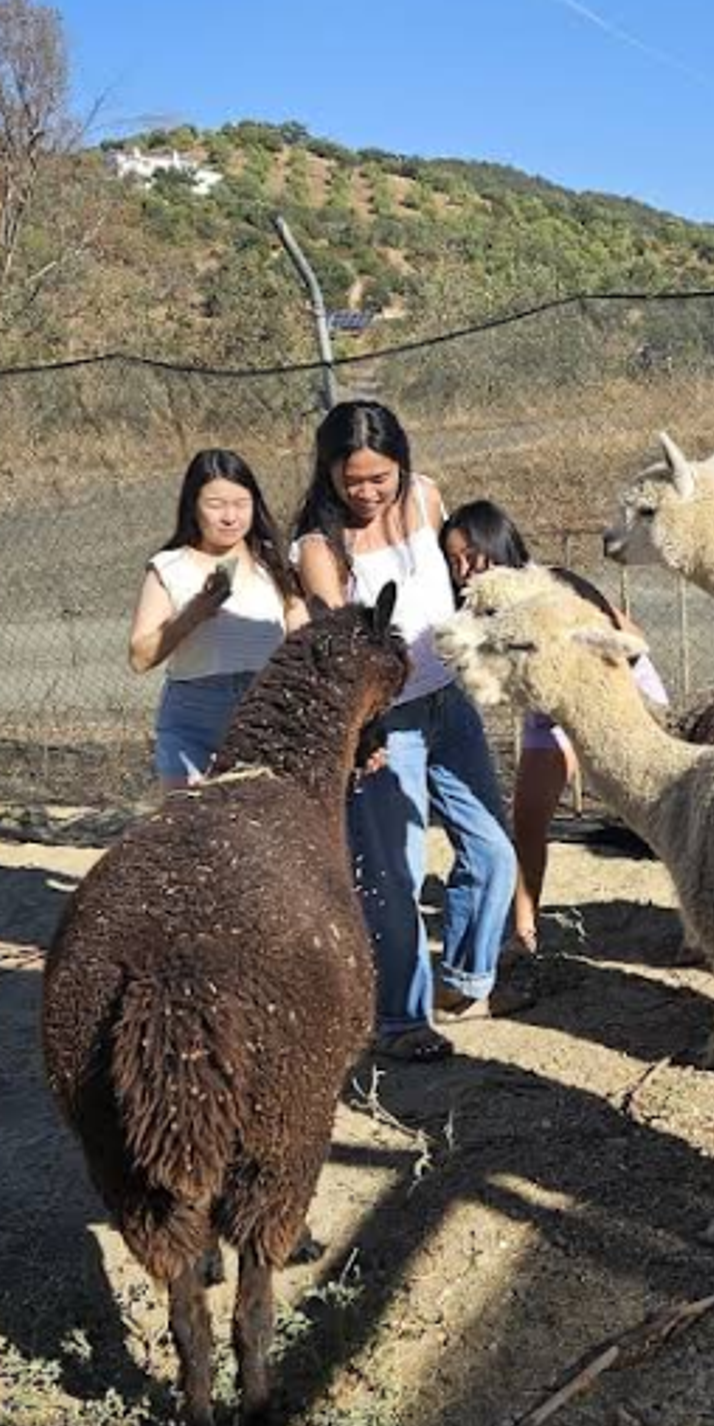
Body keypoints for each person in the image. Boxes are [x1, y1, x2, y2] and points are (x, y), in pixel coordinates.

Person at [295, 401, 517, 1063]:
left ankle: (465, 981)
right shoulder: (316, 547)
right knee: (393, 872)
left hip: (448, 704)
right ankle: (399, 1016)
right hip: (384, 724)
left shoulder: (425, 497)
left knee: (493, 849)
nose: (365, 492)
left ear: (403, 467)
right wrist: (360, 735)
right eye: (351, 479)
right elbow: (340, 644)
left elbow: (461, 578)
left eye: (378, 478)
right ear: (328, 472)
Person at [440, 500, 669, 957]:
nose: (463, 569)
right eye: (453, 560)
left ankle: (694, 925)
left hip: (612, 694)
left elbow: (624, 634)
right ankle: (524, 929)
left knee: (656, 813)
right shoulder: (475, 610)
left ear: (497, 546)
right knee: (527, 817)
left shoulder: (557, 585)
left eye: (471, 556)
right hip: (547, 714)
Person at [130, 448, 308, 789]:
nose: (230, 517)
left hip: (265, 711)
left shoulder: (273, 565)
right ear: (192, 505)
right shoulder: (169, 567)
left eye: (241, 504)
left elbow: (301, 641)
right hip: (192, 716)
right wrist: (193, 614)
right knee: (188, 829)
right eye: (215, 505)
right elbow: (139, 658)